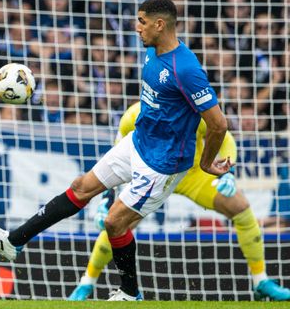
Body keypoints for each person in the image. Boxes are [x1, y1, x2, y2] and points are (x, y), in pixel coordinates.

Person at [0, 0, 231, 301]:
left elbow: (218, 124)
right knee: (81, 187)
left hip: (163, 162)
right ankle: (14, 242)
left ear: (160, 25)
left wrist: (205, 163)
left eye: (142, 22)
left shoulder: (186, 69)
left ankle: (131, 293)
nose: (137, 27)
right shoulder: (152, 50)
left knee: (114, 222)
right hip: (138, 141)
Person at [68, 102, 290, 301]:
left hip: (192, 175)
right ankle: (86, 283)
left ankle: (260, 281)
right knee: (116, 223)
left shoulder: (193, 112)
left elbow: (226, 139)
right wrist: (107, 199)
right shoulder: (132, 117)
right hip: (152, 177)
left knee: (240, 208)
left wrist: (227, 173)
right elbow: (114, 163)